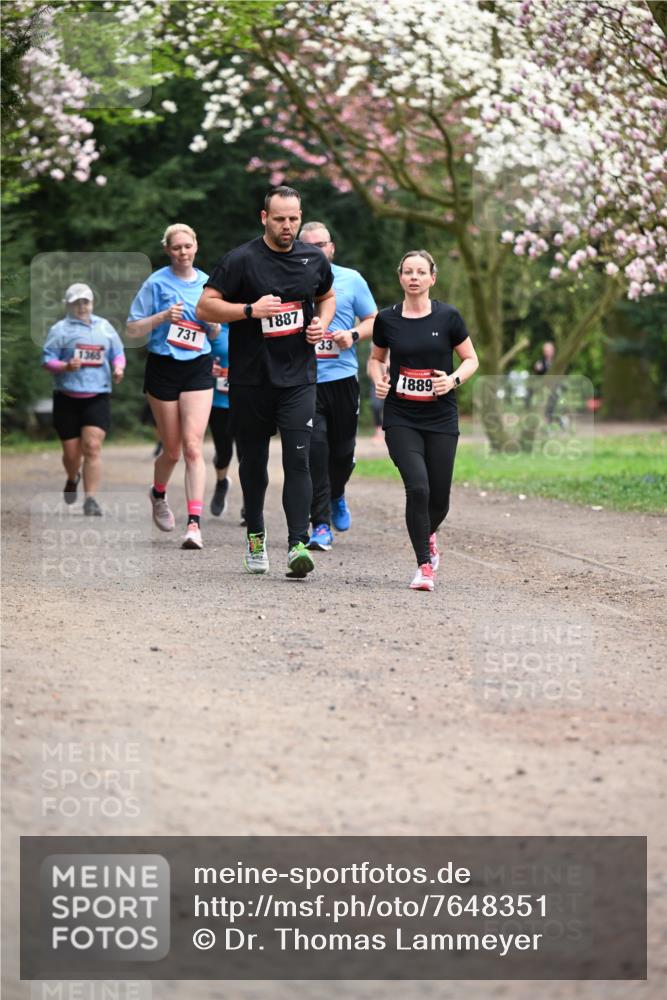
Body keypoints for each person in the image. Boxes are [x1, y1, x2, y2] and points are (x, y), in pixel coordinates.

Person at [196, 186, 336, 578]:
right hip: (251, 380)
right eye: (280, 219)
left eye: (293, 218)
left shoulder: (312, 258)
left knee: (297, 458)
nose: (288, 225)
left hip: (298, 378)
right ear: (264, 218)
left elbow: (327, 296)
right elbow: (204, 305)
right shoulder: (240, 260)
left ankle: (296, 544)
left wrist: (321, 324)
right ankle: (256, 536)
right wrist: (248, 309)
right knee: (253, 463)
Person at [368, 250, 478, 592]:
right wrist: (379, 379)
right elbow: (375, 359)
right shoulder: (387, 320)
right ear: (400, 277)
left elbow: (471, 360)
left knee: (439, 499)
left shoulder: (448, 317)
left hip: (441, 416)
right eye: (408, 272)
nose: (414, 277)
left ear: (432, 278)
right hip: (401, 416)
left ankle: (428, 533)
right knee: (418, 487)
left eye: (420, 272)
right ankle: (424, 566)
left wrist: (452, 380)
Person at [126, 223, 215, 550]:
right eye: (176, 247)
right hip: (163, 367)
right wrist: (162, 317)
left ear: (196, 246)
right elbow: (133, 329)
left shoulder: (208, 283)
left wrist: (213, 324)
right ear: (168, 250)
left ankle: (194, 525)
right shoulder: (156, 282)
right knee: (173, 449)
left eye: (187, 246)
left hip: (198, 367)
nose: (183, 252)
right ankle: (159, 493)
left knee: (193, 446)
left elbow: (216, 333)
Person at [298, 221, 377, 551]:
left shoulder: (352, 279)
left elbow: (374, 319)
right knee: (316, 450)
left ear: (332, 247)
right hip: (306, 380)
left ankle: (337, 494)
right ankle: (320, 526)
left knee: (342, 453)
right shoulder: (289, 278)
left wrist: (354, 335)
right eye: (310, 246)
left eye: (322, 244)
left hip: (343, 379)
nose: (317, 250)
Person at [42, 282, 126, 515]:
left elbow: (118, 353)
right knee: (71, 454)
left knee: (92, 446)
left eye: (85, 301)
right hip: (67, 396)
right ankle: (72, 477)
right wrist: (65, 366)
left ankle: (91, 499)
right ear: (68, 305)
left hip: (97, 394)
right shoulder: (59, 330)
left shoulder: (105, 327)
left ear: (92, 302)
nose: (82, 306)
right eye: (76, 302)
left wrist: (118, 368)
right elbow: (47, 359)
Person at [207, 323, 236, 516]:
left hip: (247, 401)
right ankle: (221, 482)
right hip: (218, 402)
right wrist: (209, 367)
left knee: (248, 454)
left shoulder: (254, 325)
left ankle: (249, 507)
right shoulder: (214, 327)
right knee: (224, 453)